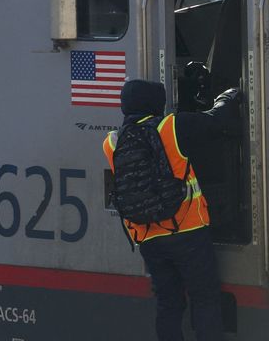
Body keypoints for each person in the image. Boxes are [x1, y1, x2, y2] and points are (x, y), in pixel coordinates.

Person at [102, 80, 238, 341]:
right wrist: (229, 97)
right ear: (157, 103)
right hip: (187, 231)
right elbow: (215, 120)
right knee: (205, 299)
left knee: (168, 303)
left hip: (148, 238)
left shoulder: (112, 142)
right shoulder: (172, 126)